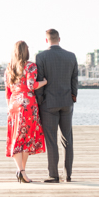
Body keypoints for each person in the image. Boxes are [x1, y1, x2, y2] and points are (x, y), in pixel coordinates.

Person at [35, 28, 78, 183]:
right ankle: (68, 175)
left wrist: (40, 101)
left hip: (48, 103)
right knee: (68, 139)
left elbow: (39, 81)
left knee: (51, 140)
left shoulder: (41, 57)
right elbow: (74, 80)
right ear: (59, 39)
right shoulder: (71, 56)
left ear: (47, 40)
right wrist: (73, 97)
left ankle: (53, 175)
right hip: (67, 102)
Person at [5, 40, 47, 183]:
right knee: (27, 138)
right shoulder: (30, 66)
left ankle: (20, 170)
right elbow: (31, 85)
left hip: (13, 105)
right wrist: (44, 82)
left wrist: (10, 108)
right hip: (27, 105)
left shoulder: (9, 68)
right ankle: (21, 171)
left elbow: (7, 92)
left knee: (16, 137)